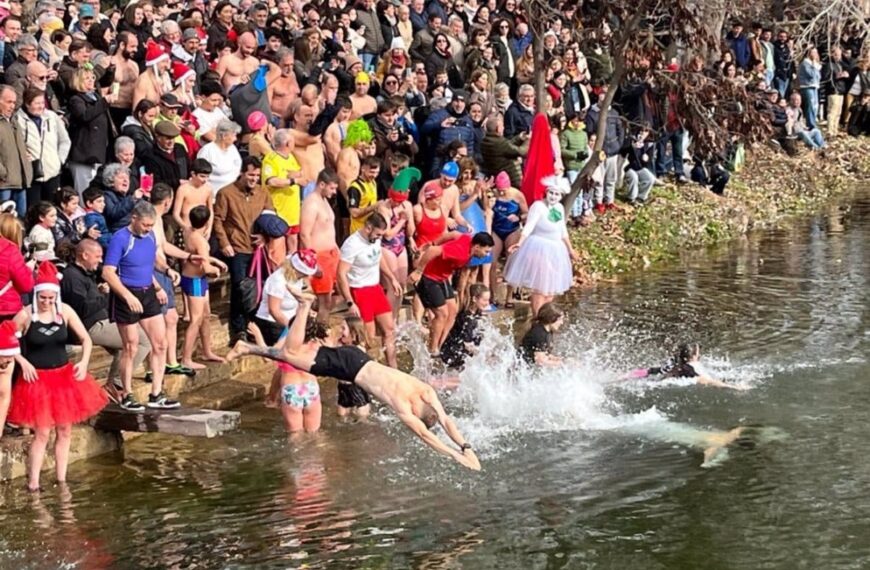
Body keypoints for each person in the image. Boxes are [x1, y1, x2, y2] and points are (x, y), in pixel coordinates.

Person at [227, 287, 481, 471]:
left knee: (292, 355)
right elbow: (427, 436)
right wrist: (454, 456)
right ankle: (305, 305)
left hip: (356, 358)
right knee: (290, 353)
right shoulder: (404, 408)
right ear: (418, 414)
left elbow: (446, 420)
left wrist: (466, 446)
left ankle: (247, 348)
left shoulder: (426, 392)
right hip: (349, 370)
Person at [7, 261, 107, 491]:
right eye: (43, 298)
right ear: (36, 295)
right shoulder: (26, 315)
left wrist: (84, 362)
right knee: (42, 432)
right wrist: (22, 361)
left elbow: (87, 339)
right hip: (37, 380)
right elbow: (6, 341)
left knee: (65, 429)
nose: (46, 303)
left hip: (63, 378)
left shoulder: (65, 312)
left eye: (51, 299)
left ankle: (61, 480)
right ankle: (33, 483)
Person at [102, 201, 179, 410]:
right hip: (127, 293)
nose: (148, 229)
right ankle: (126, 393)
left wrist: (165, 274)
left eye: (151, 225)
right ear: (134, 219)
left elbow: (151, 261)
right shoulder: (120, 239)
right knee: (131, 346)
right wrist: (127, 296)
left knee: (160, 343)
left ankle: (157, 393)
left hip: (147, 291)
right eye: (145, 225)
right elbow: (108, 272)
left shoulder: (151, 235)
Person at [61, 238, 151, 397]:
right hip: (90, 326)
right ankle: (116, 383)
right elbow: (81, 309)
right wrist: (105, 296)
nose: (101, 260)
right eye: (98, 256)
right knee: (141, 340)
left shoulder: (86, 273)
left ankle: (115, 383)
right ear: (85, 255)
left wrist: (100, 292)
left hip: (101, 321)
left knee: (132, 338)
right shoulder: (72, 276)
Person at [213, 156, 274, 343]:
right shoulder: (226, 193)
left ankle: (254, 327)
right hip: (237, 248)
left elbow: (271, 217)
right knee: (240, 288)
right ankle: (238, 329)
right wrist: (224, 243)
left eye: (257, 175)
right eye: (250, 174)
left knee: (260, 289)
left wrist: (265, 237)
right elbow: (218, 220)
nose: (254, 179)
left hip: (257, 249)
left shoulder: (263, 193)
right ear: (242, 173)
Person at [409, 231, 494, 355]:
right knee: (442, 314)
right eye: (486, 251)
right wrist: (418, 271)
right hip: (428, 277)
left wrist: (434, 241)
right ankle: (432, 349)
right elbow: (434, 250)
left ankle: (440, 343)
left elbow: (453, 234)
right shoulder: (460, 252)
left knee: (453, 310)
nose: (487, 254)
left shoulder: (467, 239)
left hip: (441, 278)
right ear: (476, 247)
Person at [504, 176, 578, 317]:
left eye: (557, 194)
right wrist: (519, 243)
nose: (553, 196)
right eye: (551, 193)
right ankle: (537, 316)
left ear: (561, 196)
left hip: (556, 249)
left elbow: (563, 231)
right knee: (540, 287)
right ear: (546, 192)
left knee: (550, 287)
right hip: (539, 247)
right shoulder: (538, 206)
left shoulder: (560, 208)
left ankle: (546, 316)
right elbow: (529, 226)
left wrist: (570, 250)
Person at [254, 249, 318, 406]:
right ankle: (273, 397)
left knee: (290, 360)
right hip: (273, 322)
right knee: (287, 359)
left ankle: (273, 397)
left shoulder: (296, 277)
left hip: (293, 319)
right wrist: (294, 326)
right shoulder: (277, 280)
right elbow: (274, 310)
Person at [337, 213, 402, 368]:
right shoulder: (352, 244)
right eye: (378, 234)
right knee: (368, 337)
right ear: (368, 228)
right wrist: (350, 302)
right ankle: (367, 370)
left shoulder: (375, 240)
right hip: (359, 291)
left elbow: (378, 257)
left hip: (375, 289)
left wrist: (392, 278)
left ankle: (394, 368)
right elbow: (341, 274)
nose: (380, 237)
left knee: (390, 329)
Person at [179, 206, 227, 370]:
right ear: (207, 223)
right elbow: (206, 268)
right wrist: (216, 270)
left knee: (206, 316)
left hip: (193, 278)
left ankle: (207, 351)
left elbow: (200, 257)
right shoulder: (200, 241)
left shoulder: (189, 232)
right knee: (196, 320)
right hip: (195, 281)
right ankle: (186, 358)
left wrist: (215, 260)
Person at [0, 213, 34, 438]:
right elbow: (25, 284)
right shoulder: (10, 250)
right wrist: (29, 268)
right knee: (6, 373)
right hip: (7, 315)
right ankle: (7, 421)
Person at [16, 87, 70, 206]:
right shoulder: (17, 119)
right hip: (31, 175)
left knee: (51, 208)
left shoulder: (52, 117)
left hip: (52, 172)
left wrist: (59, 160)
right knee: (33, 209)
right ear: (27, 103)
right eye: (37, 103)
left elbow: (65, 141)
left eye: (42, 102)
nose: (41, 106)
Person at [299, 168, 340, 324]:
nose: (334, 192)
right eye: (332, 188)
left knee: (338, 293)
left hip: (331, 254)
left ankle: (316, 325)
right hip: (319, 256)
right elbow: (304, 234)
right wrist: (312, 261)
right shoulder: (311, 203)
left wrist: (337, 249)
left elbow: (329, 229)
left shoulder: (324, 201)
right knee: (325, 302)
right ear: (322, 184)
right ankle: (319, 335)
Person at [377, 167, 419, 317]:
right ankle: (387, 320)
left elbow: (410, 231)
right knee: (391, 285)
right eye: (395, 200)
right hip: (387, 247)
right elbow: (387, 235)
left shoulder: (407, 205)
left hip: (400, 246)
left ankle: (394, 319)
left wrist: (409, 220)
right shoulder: (384, 207)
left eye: (399, 200)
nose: (396, 203)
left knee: (401, 285)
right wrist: (402, 220)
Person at [623, 342, 749, 390]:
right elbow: (706, 381)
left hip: (658, 383)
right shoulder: (692, 368)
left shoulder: (672, 363)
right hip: (672, 386)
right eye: (698, 352)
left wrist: (622, 377)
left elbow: (647, 371)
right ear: (694, 356)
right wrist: (734, 387)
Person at [489, 171, 528, 307]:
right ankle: (493, 296)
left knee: (511, 262)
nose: (501, 193)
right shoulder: (493, 194)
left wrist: (518, 217)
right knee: (491, 262)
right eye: (499, 190)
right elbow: (486, 209)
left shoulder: (517, 195)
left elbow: (526, 213)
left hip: (512, 229)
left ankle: (509, 296)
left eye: (503, 191)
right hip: (497, 229)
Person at [440, 283, 490, 369]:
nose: (487, 303)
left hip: (459, 352)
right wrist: (483, 355)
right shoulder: (467, 318)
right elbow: (466, 344)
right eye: (484, 300)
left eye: (488, 300)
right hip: (452, 356)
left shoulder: (476, 314)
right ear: (474, 299)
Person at [0, 84, 32, 214]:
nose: (12, 106)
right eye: (8, 102)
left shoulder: (13, 120)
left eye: (14, 102)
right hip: (3, 183)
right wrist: (2, 173)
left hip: (20, 180)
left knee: (20, 220)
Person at [519, 302, 565, 367]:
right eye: (560, 319)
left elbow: (544, 354)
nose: (562, 323)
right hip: (522, 369)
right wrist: (563, 364)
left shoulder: (547, 331)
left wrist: (561, 360)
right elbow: (540, 361)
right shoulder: (539, 334)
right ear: (551, 318)